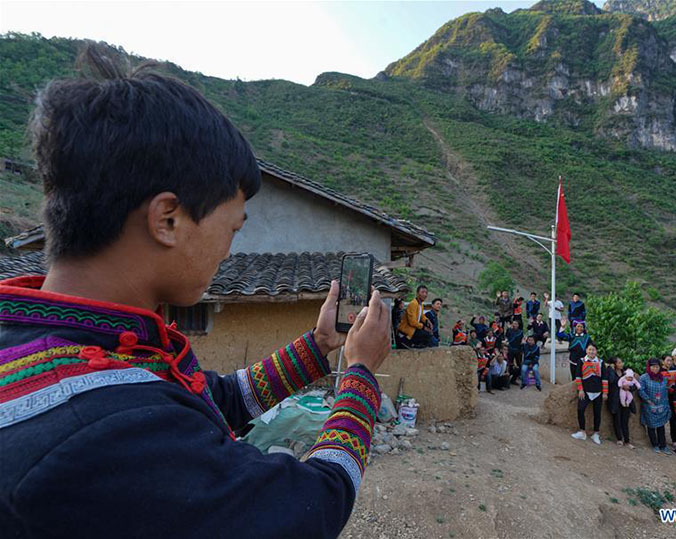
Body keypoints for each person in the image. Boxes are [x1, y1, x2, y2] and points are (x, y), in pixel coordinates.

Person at [0, 48, 390, 538]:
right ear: (168, 219)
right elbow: (310, 505)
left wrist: (319, 348)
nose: (229, 250)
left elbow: (215, 398)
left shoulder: (71, 346)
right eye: (232, 227)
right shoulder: (107, 429)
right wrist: (359, 374)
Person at [571, 344, 608, 444]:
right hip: (585, 391)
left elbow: (604, 378)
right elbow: (578, 376)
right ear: (586, 350)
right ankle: (582, 431)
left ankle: (596, 434)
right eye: (590, 349)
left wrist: (605, 392)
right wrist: (581, 390)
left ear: (596, 351)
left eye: (593, 350)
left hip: (598, 392)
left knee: (597, 413)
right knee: (580, 409)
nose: (591, 352)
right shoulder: (581, 361)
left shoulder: (600, 362)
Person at [638, 358, 672, 455]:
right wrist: (648, 400)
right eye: (653, 367)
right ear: (649, 367)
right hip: (649, 405)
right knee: (651, 426)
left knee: (661, 426)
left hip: (661, 405)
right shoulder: (644, 378)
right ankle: (655, 444)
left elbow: (665, 392)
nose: (655, 369)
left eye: (657, 367)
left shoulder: (663, 378)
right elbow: (641, 390)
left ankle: (663, 445)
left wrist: (665, 404)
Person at [606, 357, 632, 448]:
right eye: (619, 362)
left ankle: (627, 440)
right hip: (615, 400)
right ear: (614, 364)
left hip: (625, 400)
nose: (621, 364)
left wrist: (628, 388)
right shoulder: (610, 372)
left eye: (621, 362)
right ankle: (619, 439)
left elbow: (633, 384)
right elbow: (612, 381)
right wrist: (612, 369)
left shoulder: (626, 372)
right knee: (617, 420)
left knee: (625, 420)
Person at [505, 320, 524, 385]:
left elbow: (522, 341)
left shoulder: (521, 332)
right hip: (510, 349)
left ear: (518, 325)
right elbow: (506, 337)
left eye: (516, 324)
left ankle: (514, 379)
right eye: (513, 324)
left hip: (518, 350)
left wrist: (521, 350)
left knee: (519, 364)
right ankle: (507, 378)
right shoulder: (509, 330)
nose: (514, 325)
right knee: (510, 364)